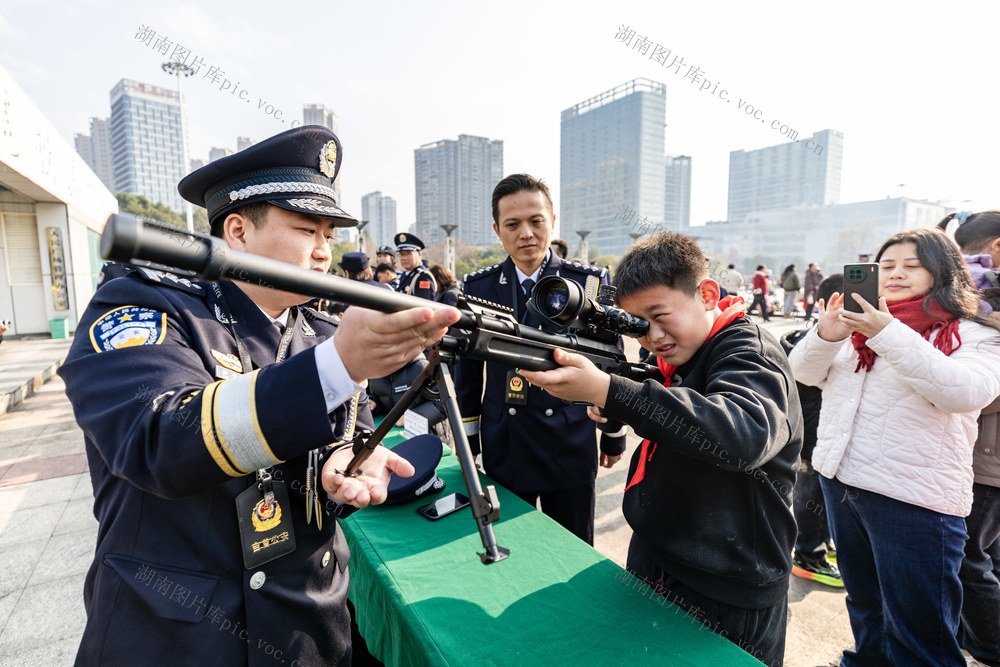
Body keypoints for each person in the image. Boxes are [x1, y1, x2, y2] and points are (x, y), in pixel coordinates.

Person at [59, 126, 461, 665]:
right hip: (175, 637)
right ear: (238, 231)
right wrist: (338, 366)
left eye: (329, 235)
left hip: (306, 629)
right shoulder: (142, 306)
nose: (324, 253)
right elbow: (155, 440)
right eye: (306, 230)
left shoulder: (320, 332)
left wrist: (348, 466)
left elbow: (350, 436)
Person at [521, 230, 802, 667]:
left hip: (727, 584)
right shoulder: (682, 354)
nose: (650, 335)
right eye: (636, 323)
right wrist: (612, 402)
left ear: (707, 294)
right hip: (658, 557)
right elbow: (674, 413)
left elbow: (743, 434)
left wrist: (613, 392)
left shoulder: (750, 350)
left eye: (659, 315)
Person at [788, 227, 1000, 666]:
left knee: (920, 634)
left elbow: (962, 392)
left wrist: (886, 331)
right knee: (866, 607)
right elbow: (802, 374)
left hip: (916, 500)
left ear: (942, 270)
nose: (896, 274)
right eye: (886, 266)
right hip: (843, 482)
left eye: (912, 265)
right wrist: (825, 335)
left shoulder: (975, 330)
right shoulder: (854, 325)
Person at [454, 173, 626, 545]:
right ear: (497, 230)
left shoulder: (592, 283)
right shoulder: (478, 287)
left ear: (552, 221)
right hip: (506, 444)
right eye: (513, 224)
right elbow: (466, 374)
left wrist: (612, 435)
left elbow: (612, 364)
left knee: (572, 550)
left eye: (536, 221)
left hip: (568, 441)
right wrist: (468, 444)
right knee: (511, 551)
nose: (526, 234)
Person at [937, 210, 1000, 666]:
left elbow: (980, 391)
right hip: (979, 455)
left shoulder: (983, 300)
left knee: (968, 561)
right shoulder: (972, 296)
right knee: (983, 560)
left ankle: (989, 647)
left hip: (985, 458)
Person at [780, 274, 845, 588]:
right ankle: (808, 555)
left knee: (822, 497)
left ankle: (822, 543)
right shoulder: (819, 344)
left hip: (822, 437)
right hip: (809, 438)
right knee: (810, 496)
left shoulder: (832, 339)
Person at [394, 233, 437, 300]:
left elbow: (423, 305)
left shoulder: (423, 276)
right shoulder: (404, 275)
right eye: (402, 254)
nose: (405, 258)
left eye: (409, 254)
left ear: (419, 254)